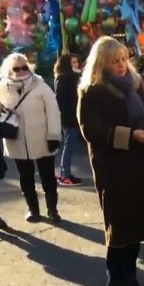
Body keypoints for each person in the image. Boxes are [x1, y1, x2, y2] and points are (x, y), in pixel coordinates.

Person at [77, 36, 144, 286]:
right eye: (114, 61)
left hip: (142, 165)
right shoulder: (91, 92)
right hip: (114, 169)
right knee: (119, 227)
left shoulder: (138, 84)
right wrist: (131, 136)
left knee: (138, 225)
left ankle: (131, 275)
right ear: (102, 63)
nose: (120, 65)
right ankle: (118, 281)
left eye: (123, 59)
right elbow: (91, 131)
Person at [0, 53, 63, 223]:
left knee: (47, 176)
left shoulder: (41, 86)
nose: (21, 71)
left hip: (42, 138)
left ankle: (52, 210)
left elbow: (53, 113)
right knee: (26, 177)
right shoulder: (2, 88)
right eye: (16, 68)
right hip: (17, 140)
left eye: (24, 67)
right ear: (9, 70)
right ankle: (33, 209)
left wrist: (53, 136)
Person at [54, 53, 84, 186]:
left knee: (70, 145)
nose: (76, 65)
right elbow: (60, 100)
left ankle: (64, 173)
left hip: (73, 116)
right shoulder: (64, 79)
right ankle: (65, 175)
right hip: (69, 117)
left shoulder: (74, 77)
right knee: (69, 146)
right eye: (73, 62)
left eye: (77, 62)